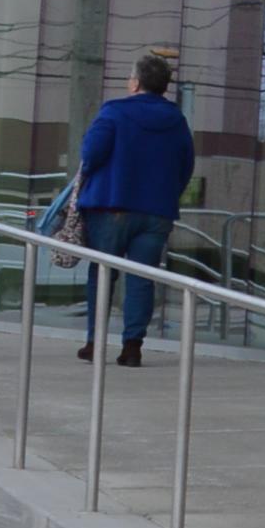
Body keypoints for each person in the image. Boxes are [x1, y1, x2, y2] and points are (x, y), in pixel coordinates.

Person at [63, 53, 198, 365]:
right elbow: (186, 165)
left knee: (102, 273)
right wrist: (166, 194)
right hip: (156, 212)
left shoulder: (114, 112)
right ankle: (132, 346)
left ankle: (94, 342)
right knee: (141, 278)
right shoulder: (177, 120)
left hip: (111, 205)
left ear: (136, 82)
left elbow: (91, 153)